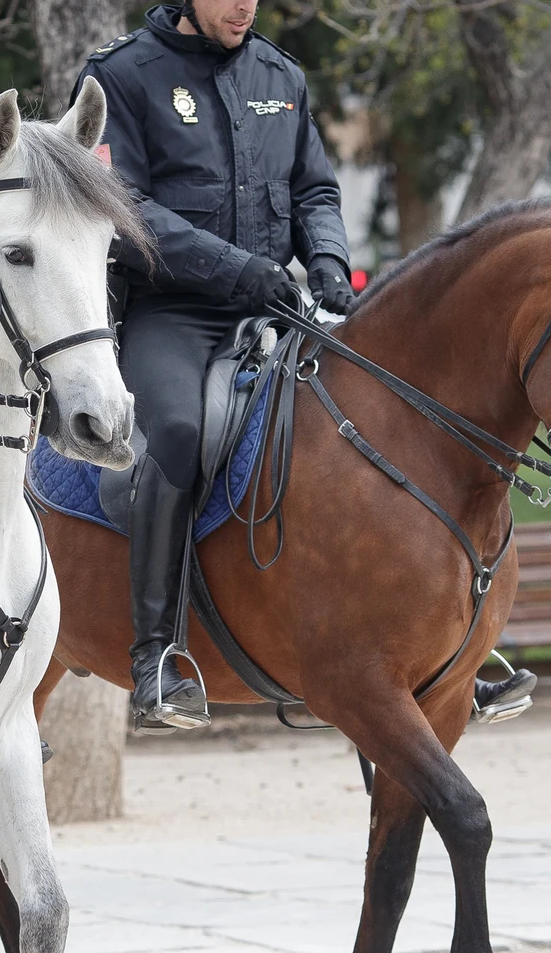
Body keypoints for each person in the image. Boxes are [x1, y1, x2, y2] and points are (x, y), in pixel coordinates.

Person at [76, 0, 354, 733]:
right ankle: (157, 657)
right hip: (175, 312)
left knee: (367, 420)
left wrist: (326, 260)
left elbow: (315, 189)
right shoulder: (120, 76)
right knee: (173, 431)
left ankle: (428, 644)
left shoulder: (281, 74)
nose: (245, 5)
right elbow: (121, 207)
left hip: (276, 304)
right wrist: (237, 269)